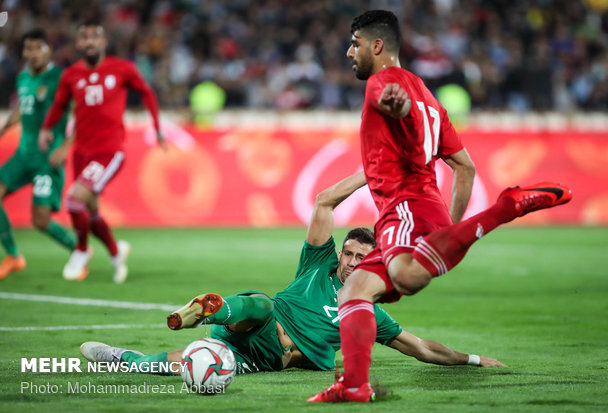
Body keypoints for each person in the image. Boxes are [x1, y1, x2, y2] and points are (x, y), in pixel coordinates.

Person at [309, 10, 572, 402]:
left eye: (356, 43)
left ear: (377, 45)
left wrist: (396, 108)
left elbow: (392, 103)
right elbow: (465, 167)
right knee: (354, 292)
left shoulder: (384, 82)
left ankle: (505, 208)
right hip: (425, 208)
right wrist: (446, 228)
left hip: (404, 205)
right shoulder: (429, 96)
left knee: (407, 277)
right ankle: (354, 387)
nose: (350, 52)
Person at [80, 172, 504, 377]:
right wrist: (369, 174)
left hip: (265, 358)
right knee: (263, 304)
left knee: (191, 367)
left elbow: (421, 348)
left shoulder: (370, 310)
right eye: (349, 253)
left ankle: (124, 359)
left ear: (375, 261)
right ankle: (215, 308)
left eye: (362, 257)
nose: (352, 261)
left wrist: (471, 359)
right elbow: (322, 204)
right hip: (258, 322)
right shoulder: (319, 263)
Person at [39, 20, 166, 283]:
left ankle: (81, 249)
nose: (89, 42)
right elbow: (60, 106)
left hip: (109, 150)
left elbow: (147, 93)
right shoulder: (71, 74)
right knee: (90, 209)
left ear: (103, 42)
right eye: (84, 37)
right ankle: (115, 251)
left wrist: (157, 127)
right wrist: (47, 128)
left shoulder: (122, 69)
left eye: (94, 37)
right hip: (82, 151)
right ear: (78, 44)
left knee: (74, 200)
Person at [0, 29, 76, 280]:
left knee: (40, 221)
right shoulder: (23, 78)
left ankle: (78, 250)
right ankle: (13, 255)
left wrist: (66, 146)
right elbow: (24, 106)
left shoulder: (61, 78)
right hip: (24, 154)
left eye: (38, 48)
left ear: (48, 50)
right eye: (28, 48)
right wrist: (5, 128)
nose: (32, 54)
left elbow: (80, 112)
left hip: (48, 157)